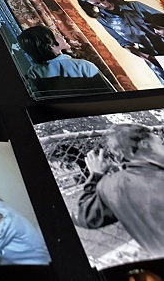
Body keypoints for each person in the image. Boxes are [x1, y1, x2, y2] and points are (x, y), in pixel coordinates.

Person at [76, 123, 164, 258]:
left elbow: (85, 217)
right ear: (146, 144)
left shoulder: (110, 186)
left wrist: (96, 175)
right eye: (160, 143)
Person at [74, 0, 164, 84]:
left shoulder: (135, 5)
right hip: (150, 54)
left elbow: (161, 19)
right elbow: (123, 42)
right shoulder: (103, 20)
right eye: (97, 4)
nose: (103, 4)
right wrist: (145, 56)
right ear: (90, 5)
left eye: (102, 0)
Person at [17, 24, 115, 94]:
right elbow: (110, 96)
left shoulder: (32, 74)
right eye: (56, 35)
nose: (62, 36)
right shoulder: (83, 66)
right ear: (49, 43)